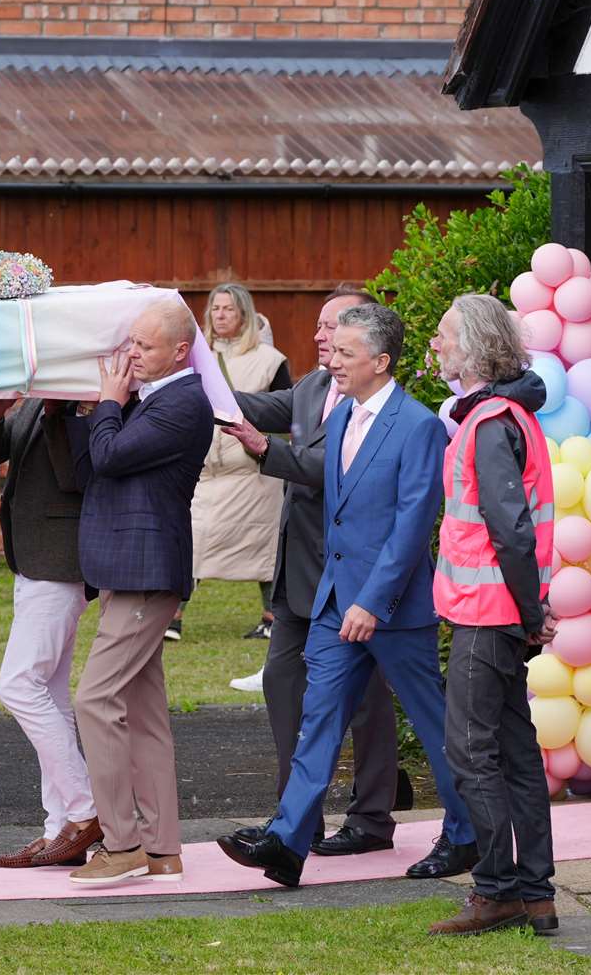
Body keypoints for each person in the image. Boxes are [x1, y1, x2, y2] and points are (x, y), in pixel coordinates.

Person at [216, 303, 478, 888]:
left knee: (433, 723)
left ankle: (465, 835)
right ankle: (287, 843)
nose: (331, 361)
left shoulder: (419, 426)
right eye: (333, 351)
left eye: (345, 353)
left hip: (393, 610)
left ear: (381, 362)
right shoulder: (338, 420)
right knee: (319, 722)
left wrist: (371, 601)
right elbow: (334, 518)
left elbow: (412, 525)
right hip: (336, 604)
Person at [220, 286, 404, 858]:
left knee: (368, 700)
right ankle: (294, 820)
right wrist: (195, 382)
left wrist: (265, 451)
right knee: (282, 684)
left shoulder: (383, 405)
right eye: (321, 327)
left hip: (353, 577)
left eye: (334, 326)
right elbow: (252, 407)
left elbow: (335, 469)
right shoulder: (312, 387)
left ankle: (372, 818)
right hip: (301, 573)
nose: (320, 336)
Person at [63, 301, 214, 886]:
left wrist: (106, 405)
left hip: (146, 572)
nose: (132, 356)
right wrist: (94, 411)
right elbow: (92, 470)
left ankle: (122, 844)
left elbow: (111, 455)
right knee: (146, 714)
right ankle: (162, 848)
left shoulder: (182, 401)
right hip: (133, 569)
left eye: (144, 347)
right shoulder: (153, 400)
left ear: (180, 350)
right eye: (131, 344)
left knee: (94, 702)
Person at [427, 294, 560, 937]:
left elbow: (509, 530)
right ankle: (535, 893)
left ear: (476, 348)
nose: (437, 345)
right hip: (504, 610)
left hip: (489, 613)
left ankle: (498, 890)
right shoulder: (510, 415)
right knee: (514, 751)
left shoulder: (487, 424)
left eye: (447, 336)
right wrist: (533, 611)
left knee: (471, 751)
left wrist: (531, 612)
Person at [0, 395, 100, 870]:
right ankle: (58, 828)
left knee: (19, 685)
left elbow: (76, 475)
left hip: (60, 562)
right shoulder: (33, 396)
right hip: (31, 560)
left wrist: (57, 413)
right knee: (50, 694)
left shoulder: (81, 399)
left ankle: (86, 813)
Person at [175, 284, 291, 643]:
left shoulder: (270, 359)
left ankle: (272, 617)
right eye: (215, 309)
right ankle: (171, 618)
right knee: (190, 542)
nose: (220, 315)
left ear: (244, 314)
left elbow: (286, 414)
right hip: (207, 472)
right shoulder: (196, 357)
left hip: (252, 474)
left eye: (228, 309)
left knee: (265, 546)